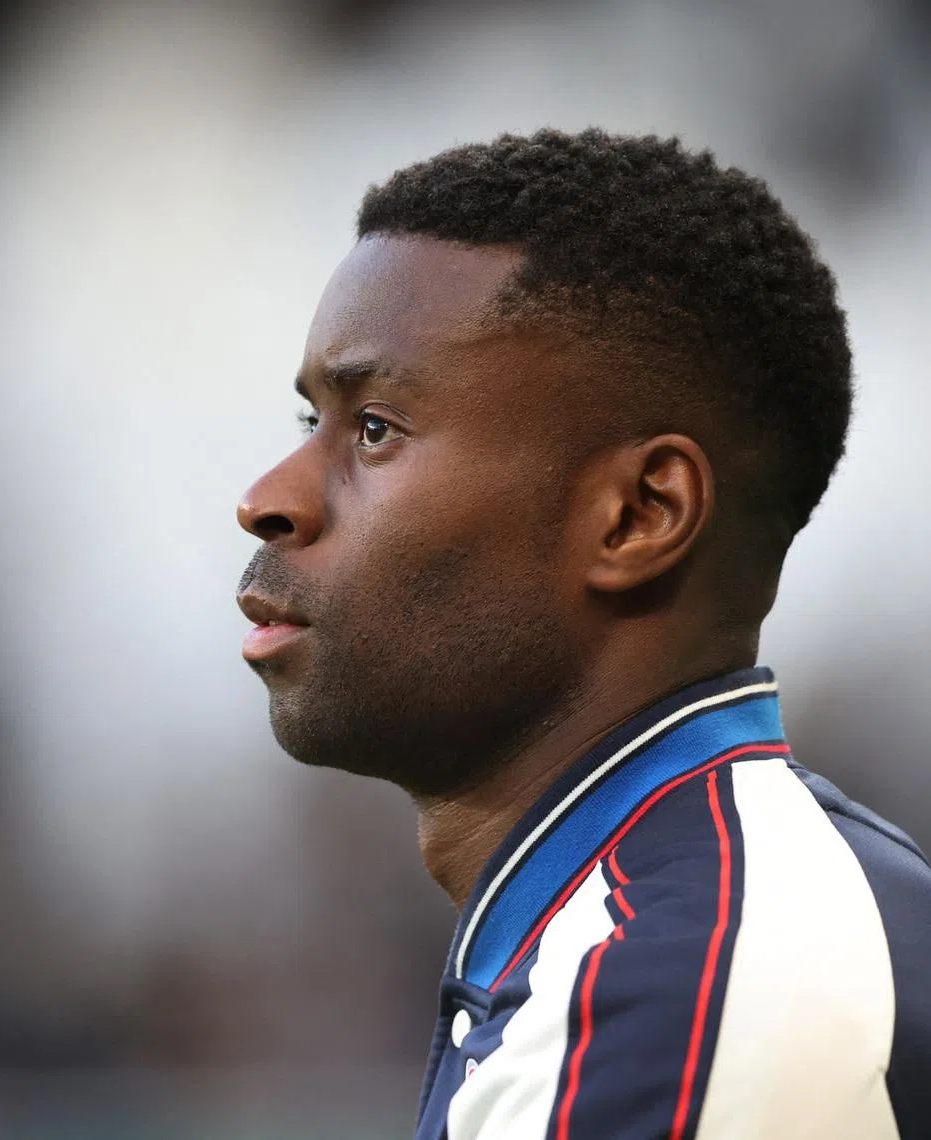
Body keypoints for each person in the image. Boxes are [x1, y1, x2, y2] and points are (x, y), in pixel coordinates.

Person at [235, 128, 931, 1139]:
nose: (269, 500)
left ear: (640, 516)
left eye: (375, 427)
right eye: (313, 426)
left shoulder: (689, 997)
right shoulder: (709, 917)